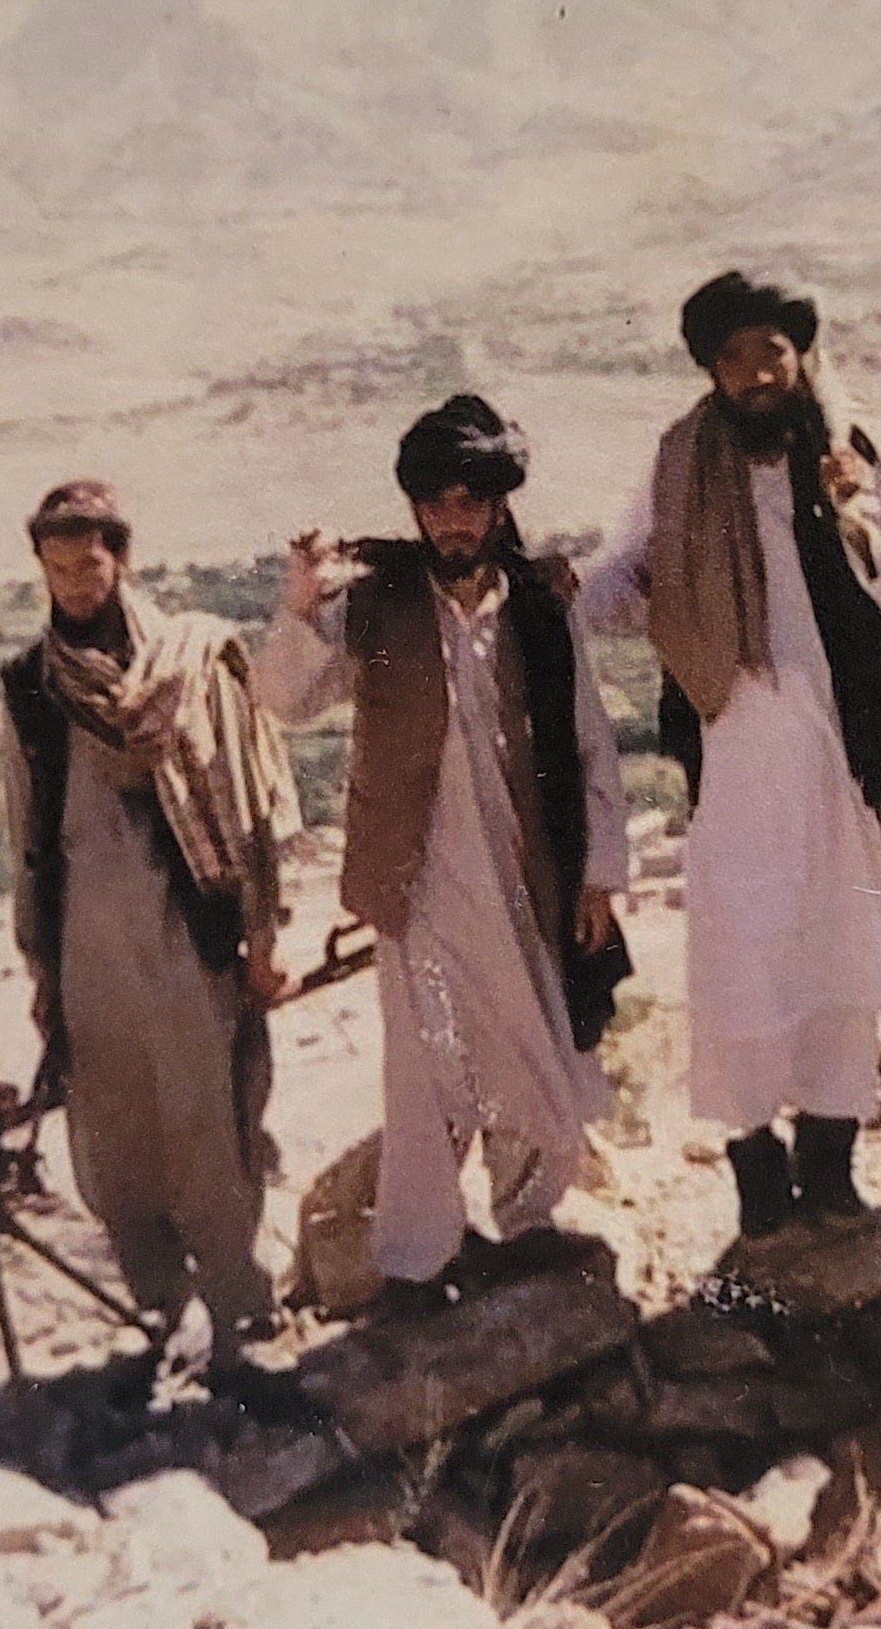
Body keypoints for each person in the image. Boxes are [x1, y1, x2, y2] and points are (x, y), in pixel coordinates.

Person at [578, 273, 881, 1238]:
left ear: (800, 353)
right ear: (712, 371)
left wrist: (854, 518)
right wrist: (560, 594)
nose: (757, 372)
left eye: (772, 350)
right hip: (736, 746)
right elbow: (620, 573)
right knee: (741, 966)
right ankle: (760, 1190)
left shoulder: (852, 448)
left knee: (840, 963)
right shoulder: (680, 460)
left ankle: (834, 1172)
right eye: (734, 357)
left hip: (839, 753)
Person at [256, 394, 628, 1307]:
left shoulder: (541, 605)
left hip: (525, 872)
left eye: (471, 500)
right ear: (415, 507)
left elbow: (589, 742)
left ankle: (529, 1223)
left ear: (499, 504)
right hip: (417, 880)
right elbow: (285, 699)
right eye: (436, 502)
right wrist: (300, 605)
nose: (452, 519)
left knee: (536, 1038)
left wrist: (600, 875)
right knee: (425, 1068)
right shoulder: (376, 606)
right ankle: (419, 1258)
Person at [0, 479, 297, 1352]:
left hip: (187, 925)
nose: (75, 586)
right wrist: (41, 969)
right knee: (114, 1138)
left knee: (210, 1122)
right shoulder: (29, 686)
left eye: (87, 566)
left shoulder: (193, 660)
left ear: (119, 558)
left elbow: (251, 803)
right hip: (88, 939)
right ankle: (155, 1308)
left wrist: (264, 933)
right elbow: (26, 836)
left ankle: (242, 1303)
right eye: (56, 571)